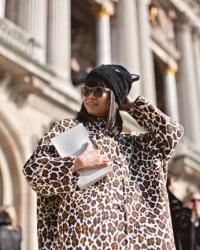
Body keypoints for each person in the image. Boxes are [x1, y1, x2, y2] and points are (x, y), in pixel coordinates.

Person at [23, 64, 184, 249]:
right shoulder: (69, 130)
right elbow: (33, 172)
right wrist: (76, 163)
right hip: (84, 243)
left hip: (137, 243)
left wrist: (133, 106)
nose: (90, 96)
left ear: (114, 96)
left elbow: (171, 134)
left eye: (98, 91)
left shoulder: (137, 146)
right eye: (86, 90)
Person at [167, 176, 200, 250]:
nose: (196, 203)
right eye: (193, 200)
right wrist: (171, 190)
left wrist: (197, 213)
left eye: (198, 200)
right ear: (188, 201)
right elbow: (173, 205)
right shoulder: (181, 214)